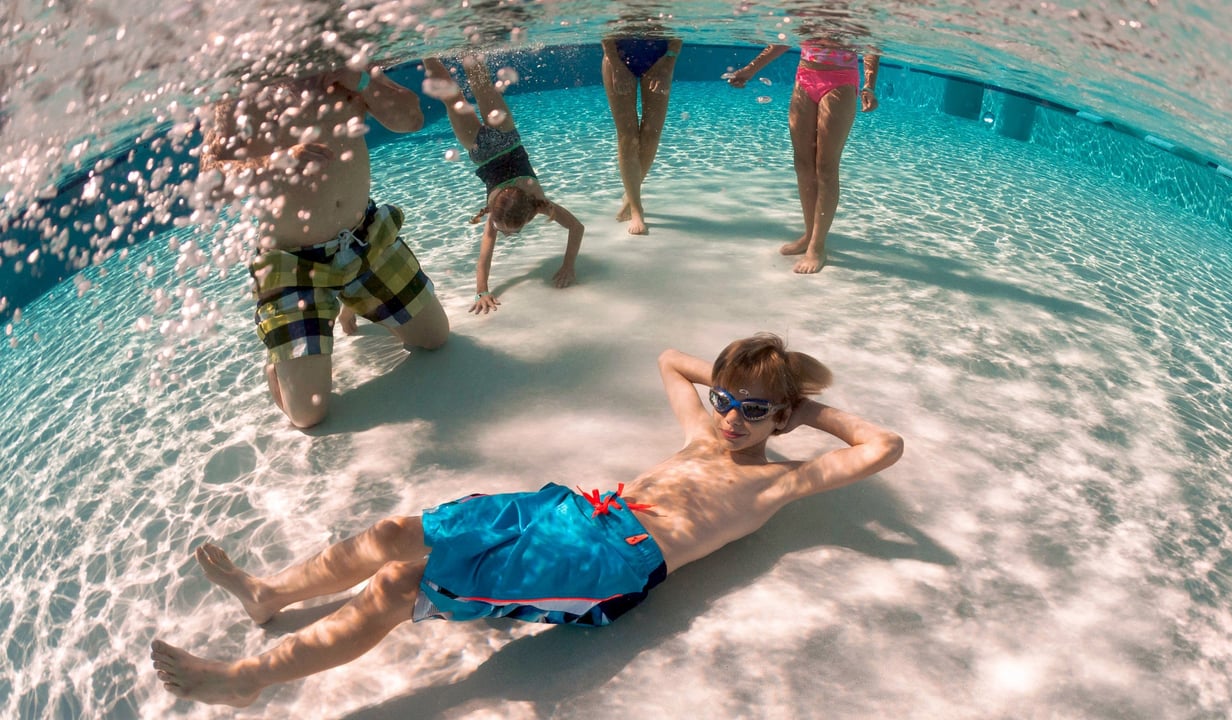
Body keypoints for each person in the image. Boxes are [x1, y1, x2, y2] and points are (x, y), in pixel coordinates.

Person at [149, 332, 904, 707]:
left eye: (754, 413)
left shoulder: (781, 484)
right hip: (568, 507)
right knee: (387, 538)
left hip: (603, 564)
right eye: (727, 403)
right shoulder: (701, 431)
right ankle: (272, 594)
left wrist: (803, 409)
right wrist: (741, 380)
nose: (734, 420)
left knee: (392, 590)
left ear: (784, 420)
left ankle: (248, 680)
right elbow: (673, 360)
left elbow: (884, 445)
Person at [199, 65, 450, 428]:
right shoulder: (240, 84)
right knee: (307, 415)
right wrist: (274, 163)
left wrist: (361, 80)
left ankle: (353, 302)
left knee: (435, 338)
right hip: (294, 264)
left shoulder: (340, 60)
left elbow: (411, 119)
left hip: (365, 239)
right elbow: (210, 176)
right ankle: (281, 355)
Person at [422, 56, 584, 315]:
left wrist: (483, 290)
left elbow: (577, 227)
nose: (505, 235)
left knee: (473, 88)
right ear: (529, 213)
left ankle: (435, 53)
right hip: (482, 146)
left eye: (504, 231)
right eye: (511, 231)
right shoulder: (529, 206)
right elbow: (575, 227)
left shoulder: (531, 205)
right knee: (464, 92)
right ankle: (436, 53)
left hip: (505, 136)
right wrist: (567, 266)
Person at [728, 41, 880, 274]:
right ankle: (809, 234)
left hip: (840, 79)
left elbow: (871, 41)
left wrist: (868, 86)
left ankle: (818, 246)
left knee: (826, 166)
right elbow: (784, 39)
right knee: (802, 163)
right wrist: (750, 70)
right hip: (805, 76)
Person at [601, 34, 682, 235]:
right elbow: (607, 33)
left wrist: (668, 62)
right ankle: (637, 210)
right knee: (628, 136)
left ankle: (629, 198)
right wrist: (617, 65)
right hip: (617, 57)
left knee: (651, 134)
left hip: (661, 56)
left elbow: (678, 35)